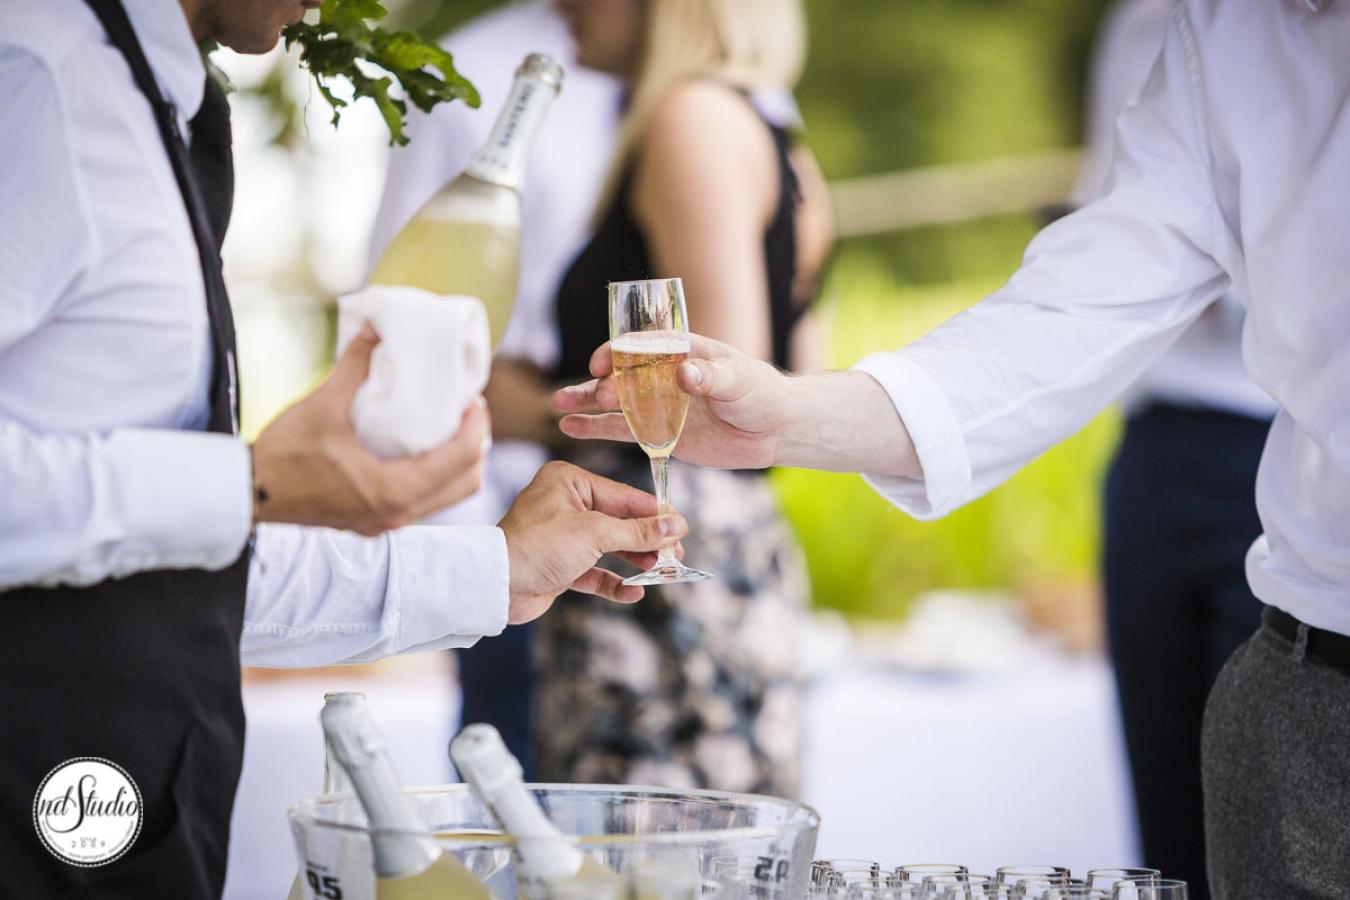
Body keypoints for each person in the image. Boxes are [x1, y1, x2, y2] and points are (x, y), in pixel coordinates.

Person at [557, 0, 1350, 894]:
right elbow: (1072, 312)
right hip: (1300, 693)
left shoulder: (691, 120)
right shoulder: (1233, 32)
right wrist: (787, 416)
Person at [0, 0, 688, 895]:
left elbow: (166, 575)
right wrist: (251, 484)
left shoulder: (143, 102)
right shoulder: (38, 75)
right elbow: (211, 509)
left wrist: (496, 569)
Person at [539, 0, 820, 795]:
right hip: (729, 544)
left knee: (648, 849)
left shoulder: (689, 119)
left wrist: (530, 404)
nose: (558, 5)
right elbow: (807, 360)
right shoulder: (779, 141)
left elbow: (721, 385)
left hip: (659, 550)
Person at [369, 0, 624, 775]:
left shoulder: (724, 91)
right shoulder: (467, 77)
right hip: (512, 523)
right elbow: (398, 318)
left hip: (680, 542)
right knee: (511, 829)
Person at [1075, 2, 1276, 895]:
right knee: (1164, 824)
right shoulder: (1140, 22)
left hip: (1277, 448)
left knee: (1270, 820)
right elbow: (1106, 212)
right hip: (1155, 446)